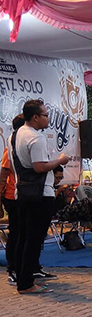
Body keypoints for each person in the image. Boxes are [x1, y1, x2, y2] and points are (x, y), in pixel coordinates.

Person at [12, 99, 70, 294]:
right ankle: (26, 282)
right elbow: (39, 167)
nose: (48, 118)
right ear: (35, 117)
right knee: (34, 239)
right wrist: (60, 160)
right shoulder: (36, 138)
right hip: (39, 194)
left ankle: (22, 277)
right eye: (45, 115)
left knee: (24, 237)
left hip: (24, 192)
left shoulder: (18, 134)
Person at [0, 114, 25, 286]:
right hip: (12, 196)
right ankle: (13, 269)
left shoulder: (24, 146)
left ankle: (27, 267)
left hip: (25, 196)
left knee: (25, 233)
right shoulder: (10, 149)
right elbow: (3, 175)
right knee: (16, 233)